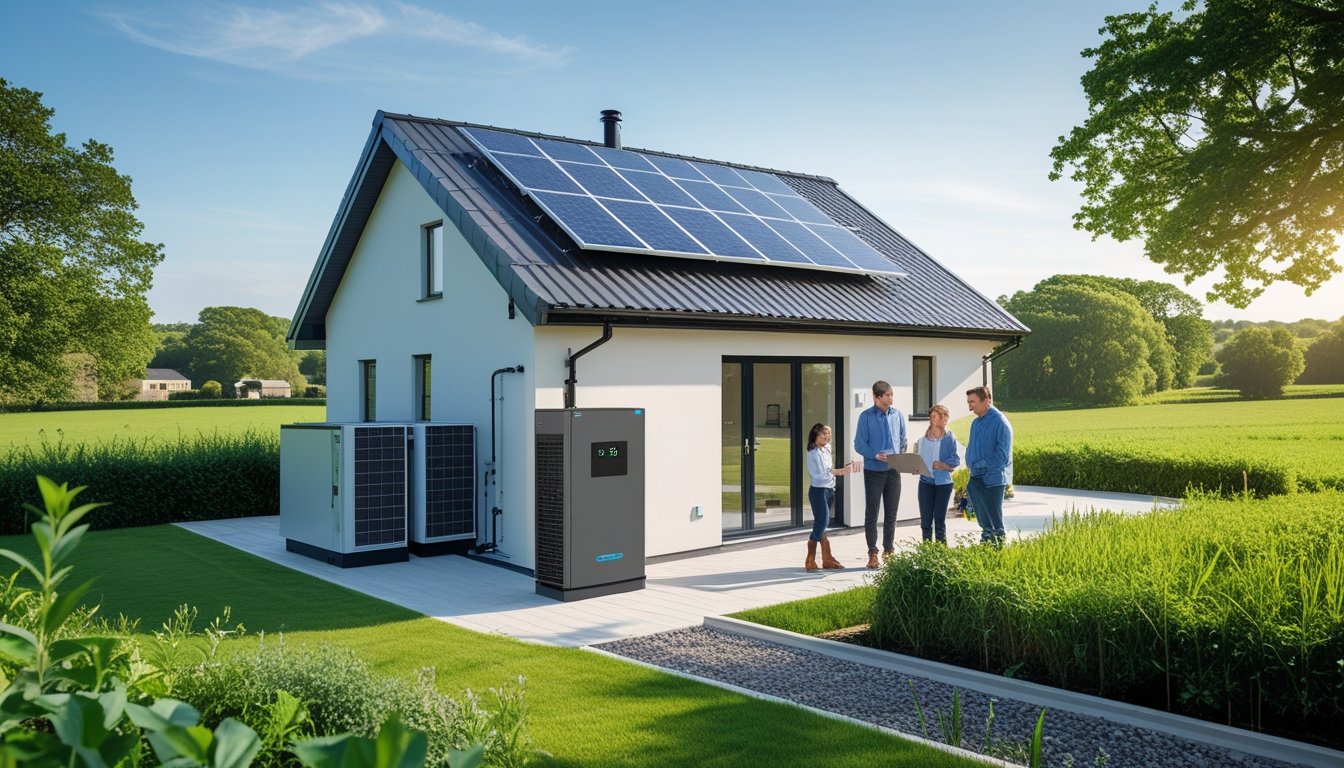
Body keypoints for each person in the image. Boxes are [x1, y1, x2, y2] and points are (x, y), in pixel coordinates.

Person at [854, 380, 907, 569]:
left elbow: (903, 439)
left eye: (892, 394)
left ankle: (889, 551)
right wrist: (875, 455)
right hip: (873, 472)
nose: (891, 398)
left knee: (891, 514)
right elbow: (859, 444)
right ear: (878, 397)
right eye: (888, 395)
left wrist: (899, 456)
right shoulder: (866, 417)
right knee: (872, 514)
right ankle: (873, 553)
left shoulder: (898, 415)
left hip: (893, 472)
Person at [804, 423, 858, 571]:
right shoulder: (813, 453)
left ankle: (827, 559)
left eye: (829, 434)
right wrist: (841, 471)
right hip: (818, 491)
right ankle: (810, 554)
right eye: (824, 434)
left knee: (822, 524)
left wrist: (846, 467)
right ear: (816, 436)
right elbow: (823, 473)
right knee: (823, 521)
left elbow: (829, 469)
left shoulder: (826, 449)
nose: (827, 437)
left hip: (829, 490)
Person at [964, 385, 1013, 544]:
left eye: (973, 402)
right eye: (968, 402)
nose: (969, 405)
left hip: (992, 480)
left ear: (986, 400)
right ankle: (985, 548)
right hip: (975, 478)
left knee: (995, 524)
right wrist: (970, 461)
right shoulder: (976, 423)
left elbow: (1002, 456)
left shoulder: (1000, 422)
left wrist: (978, 464)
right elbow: (972, 447)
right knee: (984, 524)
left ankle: (998, 550)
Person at [914, 404, 961, 543]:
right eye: (931, 415)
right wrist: (917, 468)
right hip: (925, 483)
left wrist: (944, 465)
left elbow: (955, 460)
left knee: (939, 521)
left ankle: (941, 554)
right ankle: (927, 553)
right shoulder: (922, 441)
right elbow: (918, 459)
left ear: (944, 419)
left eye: (936, 415)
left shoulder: (950, 438)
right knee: (925, 522)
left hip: (943, 484)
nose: (931, 418)